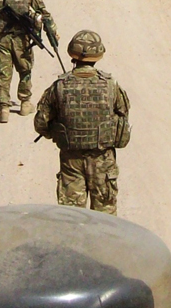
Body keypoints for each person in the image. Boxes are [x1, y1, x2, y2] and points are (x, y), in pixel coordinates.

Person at [34, 30, 131, 216]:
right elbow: (123, 115)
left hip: (71, 161)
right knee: (106, 219)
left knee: (71, 219)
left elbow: (40, 122)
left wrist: (54, 131)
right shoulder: (111, 84)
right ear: (99, 55)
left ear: (72, 54)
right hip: (103, 161)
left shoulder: (59, 86)